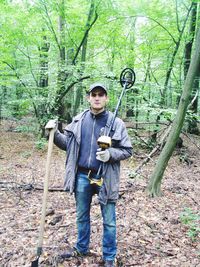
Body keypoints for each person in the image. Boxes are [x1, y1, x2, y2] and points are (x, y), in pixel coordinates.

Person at [48, 82, 132, 267]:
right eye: (94, 94)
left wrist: (110, 154)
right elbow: (68, 145)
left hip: (106, 178)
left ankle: (109, 257)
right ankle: (82, 248)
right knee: (81, 216)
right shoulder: (78, 120)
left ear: (106, 98)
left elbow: (127, 150)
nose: (97, 97)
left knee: (109, 220)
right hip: (82, 176)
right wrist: (53, 134)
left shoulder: (115, 123)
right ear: (88, 97)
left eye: (101, 94)